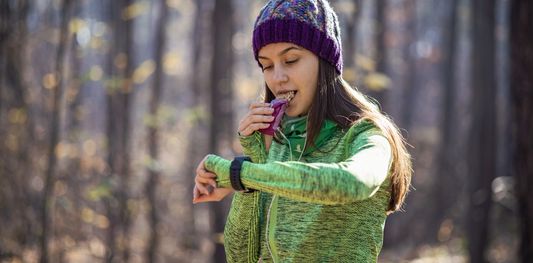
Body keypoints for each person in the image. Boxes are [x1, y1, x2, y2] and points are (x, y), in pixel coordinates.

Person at [193, 0, 412, 262]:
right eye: (267, 65)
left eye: (291, 60)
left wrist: (240, 174)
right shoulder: (277, 142)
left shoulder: (367, 135)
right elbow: (242, 258)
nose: (277, 78)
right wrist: (255, 158)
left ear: (325, 61)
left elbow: (351, 184)